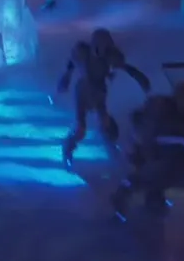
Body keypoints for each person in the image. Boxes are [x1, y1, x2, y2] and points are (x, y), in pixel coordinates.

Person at [58, 28, 150, 166]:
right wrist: (66, 77)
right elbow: (72, 63)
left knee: (104, 121)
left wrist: (139, 77)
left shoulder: (110, 57)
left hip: (99, 91)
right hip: (83, 91)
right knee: (81, 127)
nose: (101, 50)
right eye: (99, 46)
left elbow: (125, 67)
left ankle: (110, 144)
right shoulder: (82, 52)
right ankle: (68, 148)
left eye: (105, 46)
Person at [111, 94, 184, 220]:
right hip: (166, 171)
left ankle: (126, 213)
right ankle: (147, 206)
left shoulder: (169, 137)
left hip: (172, 170)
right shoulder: (151, 136)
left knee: (134, 182)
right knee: (140, 181)